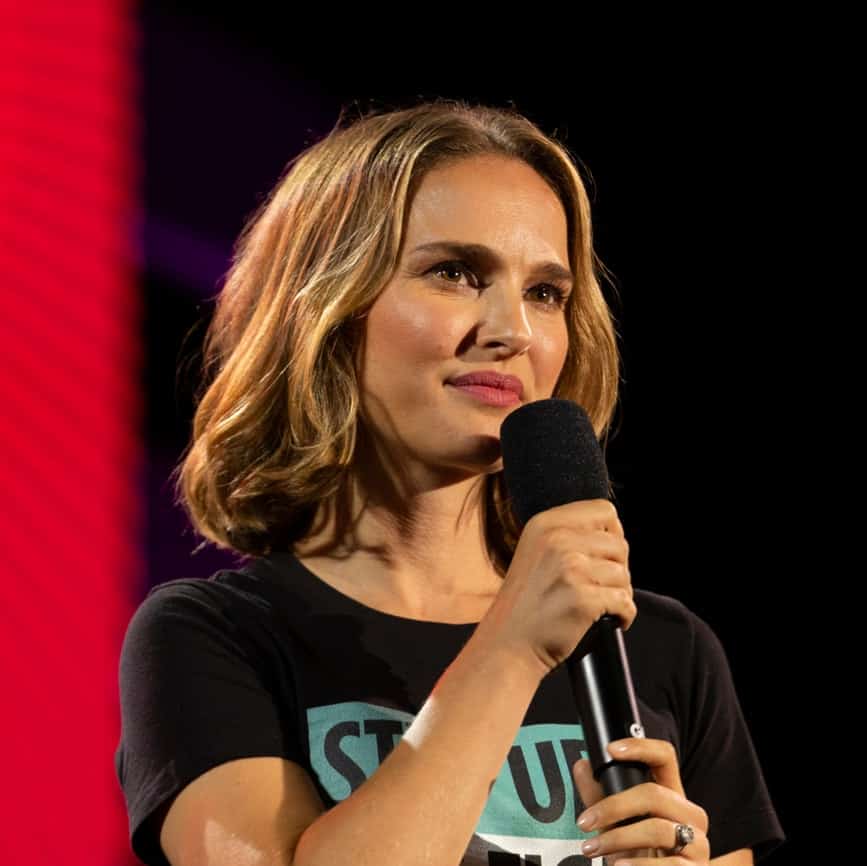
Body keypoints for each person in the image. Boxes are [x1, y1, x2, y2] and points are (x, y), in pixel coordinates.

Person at [115, 98, 786, 866]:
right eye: (456, 273)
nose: (514, 331)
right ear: (328, 308)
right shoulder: (213, 639)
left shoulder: (664, 648)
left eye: (546, 293)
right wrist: (511, 648)